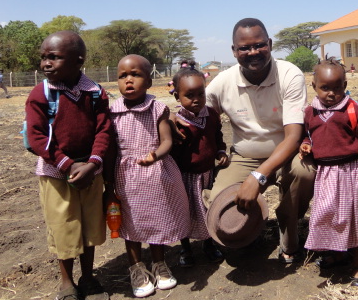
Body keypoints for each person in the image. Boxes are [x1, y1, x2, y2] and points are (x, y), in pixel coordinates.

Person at [203, 18, 316, 263]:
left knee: (305, 172)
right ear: (234, 51)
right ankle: (250, 228)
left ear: (270, 44)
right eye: (244, 48)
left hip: (288, 153)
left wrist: (258, 177)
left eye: (259, 45)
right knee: (219, 206)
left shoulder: (289, 74)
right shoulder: (223, 83)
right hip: (245, 155)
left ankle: (288, 226)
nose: (252, 52)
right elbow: (201, 117)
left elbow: (294, 137)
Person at [25, 31, 111, 300]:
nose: (45, 64)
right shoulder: (41, 94)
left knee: (90, 227)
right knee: (64, 228)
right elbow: (38, 137)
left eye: (54, 57)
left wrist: (93, 163)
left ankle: (88, 278)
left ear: (78, 61)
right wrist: (67, 164)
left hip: (90, 172)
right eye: (43, 58)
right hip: (56, 174)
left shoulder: (95, 93)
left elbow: (104, 130)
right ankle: (66, 282)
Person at [107, 54, 190, 298]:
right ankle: (136, 268)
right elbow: (111, 149)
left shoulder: (158, 109)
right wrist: (108, 184)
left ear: (149, 80)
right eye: (123, 76)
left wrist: (155, 155)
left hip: (156, 175)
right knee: (131, 224)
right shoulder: (112, 111)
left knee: (157, 218)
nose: (128, 81)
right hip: (126, 177)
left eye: (136, 75)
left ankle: (159, 263)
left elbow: (167, 141)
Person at [299, 58, 358, 285]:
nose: (331, 93)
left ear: (345, 84)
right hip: (325, 172)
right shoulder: (309, 112)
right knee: (326, 214)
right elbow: (309, 134)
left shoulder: (355, 111)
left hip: (350, 171)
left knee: (350, 217)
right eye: (325, 88)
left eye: (337, 87)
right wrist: (306, 144)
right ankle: (337, 253)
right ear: (314, 86)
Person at [170, 68, 229, 267]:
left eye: (200, 94)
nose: (196, 99)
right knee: (185, 212)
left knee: (207, 210)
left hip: (207, 174)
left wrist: (220, 151)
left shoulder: (211, 115)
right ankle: (185, 247)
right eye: (189, 95)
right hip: (185, 176)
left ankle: (208, 244)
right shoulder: (177, 122)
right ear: (177, 96)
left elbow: (218, 137)